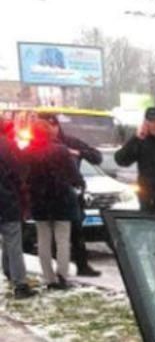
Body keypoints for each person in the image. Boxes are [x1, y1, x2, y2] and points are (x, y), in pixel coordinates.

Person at [26, 119, 83, 290]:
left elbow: (25, 177)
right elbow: (73, 174)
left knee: (43, 240)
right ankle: (62, 276)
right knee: (62, 240)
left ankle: (49, 278)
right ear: (49, 132)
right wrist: (79, 183)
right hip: (61, 201)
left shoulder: (28, 152)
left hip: (39, 201)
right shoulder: (60, 150)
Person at [43, 114, 103, 277]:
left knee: (76, 232)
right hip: (46, 195)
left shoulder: (69, 142)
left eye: (53, 125)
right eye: (47, 126)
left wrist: (78, 153)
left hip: (70, 194)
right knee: (52, 236)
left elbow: (96, 156)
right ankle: (58, 269)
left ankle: (81, 265)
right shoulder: (39, 146)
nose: (51, 130)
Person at [0, 124, 36, 298]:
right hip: (7, 202)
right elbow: (21, 170)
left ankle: (8, 271)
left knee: (10, 241)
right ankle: (19, 284)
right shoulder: (8, 146)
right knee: (13, 242)